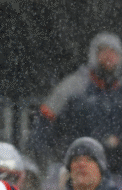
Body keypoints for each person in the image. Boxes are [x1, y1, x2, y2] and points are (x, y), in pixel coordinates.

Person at [28, 32, 122, 173]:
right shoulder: (73, 86)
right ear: (94, 55)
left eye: (113, 53)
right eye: (104, 51)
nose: (109, 57)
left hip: (115, 169)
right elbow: (44, 121)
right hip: (76, 165)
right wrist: (44, 159)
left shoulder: (119, 91)